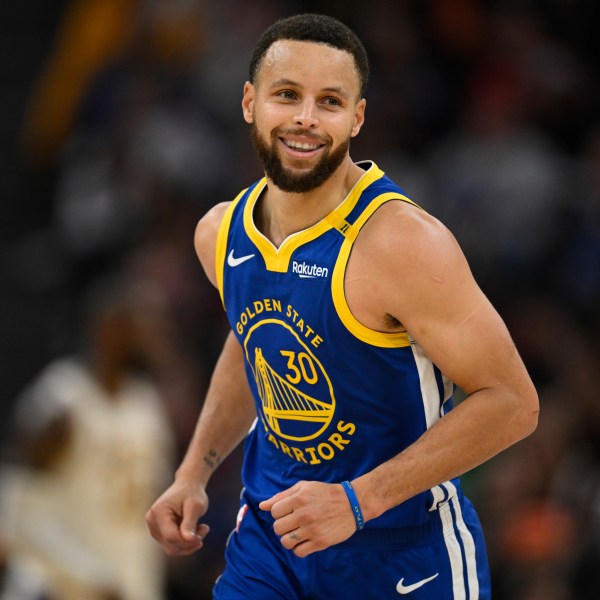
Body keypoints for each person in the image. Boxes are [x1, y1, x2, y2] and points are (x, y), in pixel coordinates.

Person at [145, 13, 539, 599]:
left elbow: (513, 403)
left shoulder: (402, 244)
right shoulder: (220, 233)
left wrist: (358, 502)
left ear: (356, 118)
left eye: (329, 101)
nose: (305, 118)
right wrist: (193, 472)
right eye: (287, 95)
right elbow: (253, 342)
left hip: (401, 548)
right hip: (273, 540)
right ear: (250, 102)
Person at [0, 276, 175, 600]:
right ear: (105, 327)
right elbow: (18, 496)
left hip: (130, 574)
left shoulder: (146, 403)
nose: (145, 330)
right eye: (134, 320)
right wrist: (79, 571)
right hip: (63, 585)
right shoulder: (62, 398)